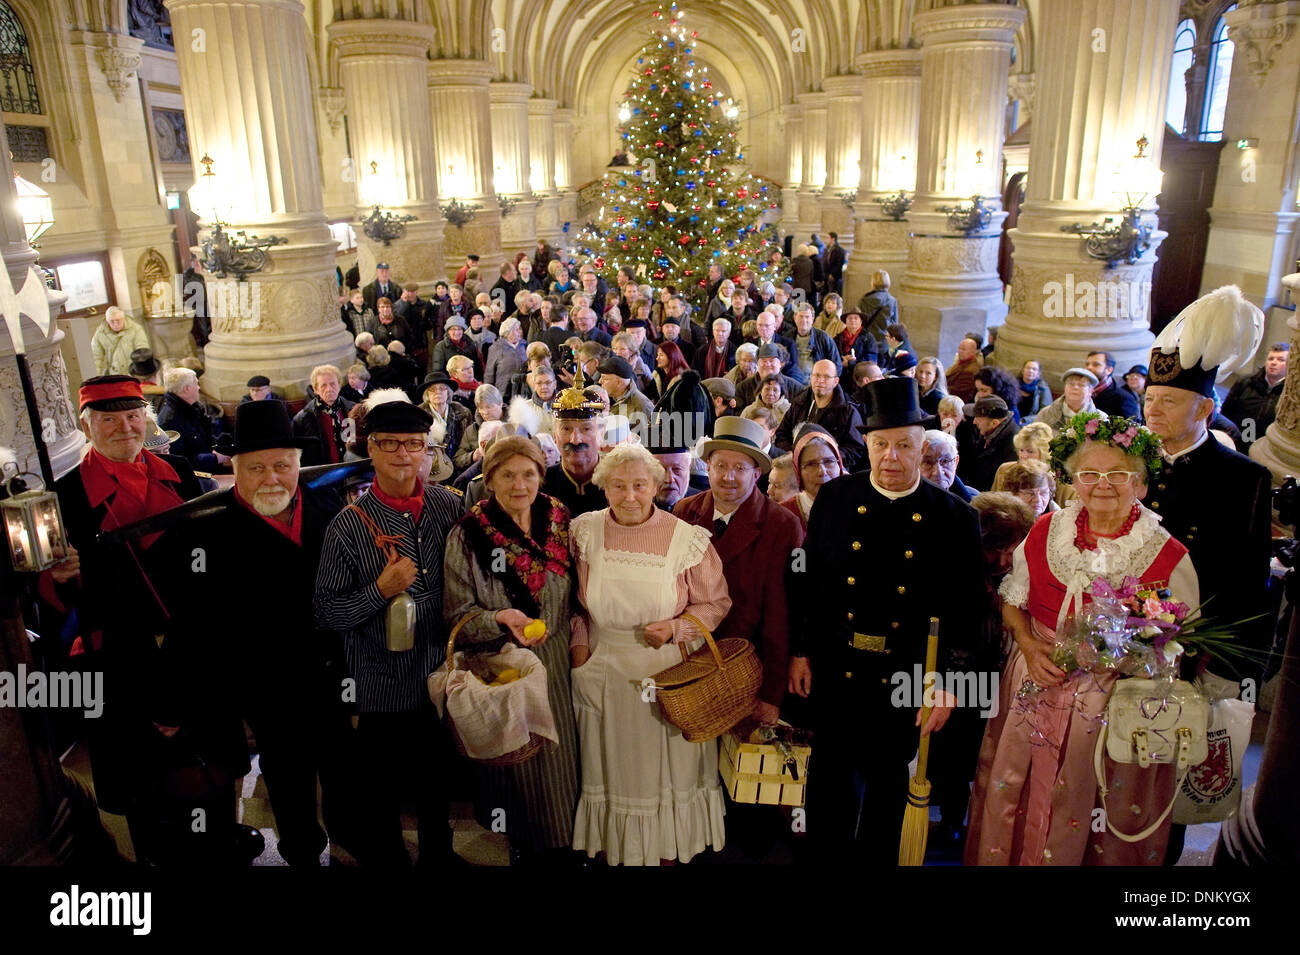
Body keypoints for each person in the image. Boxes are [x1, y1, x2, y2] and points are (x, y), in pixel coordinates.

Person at [966, 413, 1199, 865]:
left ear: (1141, 483)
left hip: (1114, 701)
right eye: (1090, 474)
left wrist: (1128, 657)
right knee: (1015, 784)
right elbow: (1013, 602)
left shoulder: (1165, 552)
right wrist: (1030, 648)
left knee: (1093, 804)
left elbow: (1178, 636)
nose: (1102, 485)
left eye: (1118, 475)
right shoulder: (1045, 532)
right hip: (1035, 681)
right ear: (1074, 480)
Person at [53, 376, 256, 864]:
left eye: (132, 416)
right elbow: (51, 591)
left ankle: (221, 839)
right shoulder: (67, 497)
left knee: (212, 753)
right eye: (108, 419)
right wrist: (59, 577)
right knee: (145, 771)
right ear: (87, 425)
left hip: (195, 645)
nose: (124, 428)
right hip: (126, 657)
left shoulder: (181, 472)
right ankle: (160, 854)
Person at [792, 377, 985, 865]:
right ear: (867, 445)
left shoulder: (956, 519)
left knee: (887, 787)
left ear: (923, 445)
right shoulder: (834, 500)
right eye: (881, 445)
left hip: (907, 676)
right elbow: (808, 582)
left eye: (904, 445)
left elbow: (968, 613)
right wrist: (800, 649)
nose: (891, 457)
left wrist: (950, 685)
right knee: (830, 783)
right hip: (838, 665)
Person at [181, 400, 365, 866]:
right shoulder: (210, 536)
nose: (271, 478)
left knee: (342, 765)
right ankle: (301, 850)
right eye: (257, 467)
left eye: (282, 465)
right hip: (266, 686)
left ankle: (349, 836)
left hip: (331, 674)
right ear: (236, 470)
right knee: (286, 774)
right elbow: (198, 623)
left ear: (298, 465)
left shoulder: (330, 511)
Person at [314, 395, 465, 867]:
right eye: (390, 444)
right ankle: (390, 860)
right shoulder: (346, 525)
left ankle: (439, 857)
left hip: (439, 675)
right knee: (381, 787)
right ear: (370, 450)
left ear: (428, 452)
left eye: (414, 444)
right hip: (379, 683)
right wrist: (379, 590)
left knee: (435, 781)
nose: (403, 454)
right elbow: (326, 612)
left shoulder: (448, 508)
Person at [568, 443, 731, 865]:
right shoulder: (584, 531)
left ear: (657, 485)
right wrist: (581, 649)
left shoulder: (687, 539)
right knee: (610, 768)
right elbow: (570, 604)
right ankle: (616, 848)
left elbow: (715, 604)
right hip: (604, 671)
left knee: (665, 770)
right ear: (603, 488)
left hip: (668, 675)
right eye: (618, 486)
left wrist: (677, 628)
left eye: (640, 485)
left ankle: (664, 851)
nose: (629, 496)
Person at [442, 435, 580, 865]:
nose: (519, 484)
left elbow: (579, 591)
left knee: (562, 763)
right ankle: (525, 846)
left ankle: (567, 846)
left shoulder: (559, 517)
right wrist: (501, 619)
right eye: (507, 474)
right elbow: (457, 614)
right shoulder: (467, 535)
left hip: (558, 662)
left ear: (541, 475)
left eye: (528, 473)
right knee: (518, 768)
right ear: (489, 478)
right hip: (506, 666)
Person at [1143, 286, 1274, 690]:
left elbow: (1250, 583)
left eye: (1169, 400)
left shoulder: (1243, 477)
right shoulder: (1131, 461)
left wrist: (1225, 664)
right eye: (1149, 399)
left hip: (1197, 647)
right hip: (1120, 635)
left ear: (1204, 409)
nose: (1153, 410)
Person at [773, 359, 865, 470]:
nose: (820, 380)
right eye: (816, 375)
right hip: (796, 466)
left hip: (830, 471)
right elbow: (781, 434)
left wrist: (822, 459)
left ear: (836, 382)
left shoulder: (848, 411)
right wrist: (795, 453)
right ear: (811, 378)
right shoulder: (799, 402)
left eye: (826, 377)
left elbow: (855, 450)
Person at [542, 374, 608, 517]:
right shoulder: (540, 484)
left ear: (601, 433)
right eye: (566, 429)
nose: (575, 440)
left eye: (586, 429)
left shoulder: (618, 482)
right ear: (554, 435)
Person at [156, 366, 229, 473]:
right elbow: (178, 461)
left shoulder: (192, 408)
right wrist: (214, 458)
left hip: (209, 466)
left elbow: (204, 438)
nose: (198, 388)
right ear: (187, 388)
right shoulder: (170, 420)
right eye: (196, 383)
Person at [1222, 342, 1288, 451]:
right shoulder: (1246, 383)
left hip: (1267, 448)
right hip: (1238, 442)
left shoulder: (1288, 395)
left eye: (1281, 360)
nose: (1273, 363)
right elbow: (1227, 412)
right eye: (1271, 359)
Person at [782, 423, 844, 526]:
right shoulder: (784, 514)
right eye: (811, 464)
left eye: (828, 461)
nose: (822, 472)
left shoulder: (858, 505)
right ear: (798, 472)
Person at [293, 365, 355, 466]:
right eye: (323, 385)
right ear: (315, 389)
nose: (329, 389)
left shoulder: (352, 409)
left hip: (351, 469)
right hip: (322, 474)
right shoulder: (303, 418)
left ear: (339, 385)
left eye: (333, 384)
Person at [957, 394, 1020, 492]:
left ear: (994, 423)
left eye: (979, 419)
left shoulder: (1013, 447)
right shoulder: (987, 431)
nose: (974, 422)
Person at [1034, 367, 1105, 433]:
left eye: (1081, 385)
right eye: (1071, 384)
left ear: (1090, 391)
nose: (1075, 387)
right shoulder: (1045, 414)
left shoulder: (1101, 419)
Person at [92, 306, 151, 376]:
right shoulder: (100, 334)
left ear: (123, 319)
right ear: (107, 321)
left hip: (133, 373)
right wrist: (95, 379)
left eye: (118, 320)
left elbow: (142, 351)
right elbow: (96, 358)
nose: (115, 324)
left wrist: (142, 374)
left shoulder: (136, 329)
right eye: (112, 321)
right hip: (114, 374)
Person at [991, 459, 1058, 517]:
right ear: (1014, 493)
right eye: (1030, 493)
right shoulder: (1001, 516)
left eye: (1043, 493)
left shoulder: (1056, 515)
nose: (1037, 500)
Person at [1085, 351, 1141, 419]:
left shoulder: (1123, 398)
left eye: (1096, 364)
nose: (1089, 367)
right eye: (1087, 364)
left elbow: (1133, 428)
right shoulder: (1083, 392)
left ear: (1109, 370)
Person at [921, 428, 973, 502]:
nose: (938, 472)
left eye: (945, 461)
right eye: (928, 462)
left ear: (956, 462)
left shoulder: (974, 505)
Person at [857, 270, 897, 353]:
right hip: (884, 343)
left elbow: (859, 321)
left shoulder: (864, 300)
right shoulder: (892, 301)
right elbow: (895, 324)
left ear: (873, 282)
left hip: (867, 341)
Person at [945, 336, 982, 403]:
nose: (959, 351)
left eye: (963, 349)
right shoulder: (961, 362)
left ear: (973, 352)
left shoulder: (971, 370)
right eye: (959, 348)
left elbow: (957, 391)